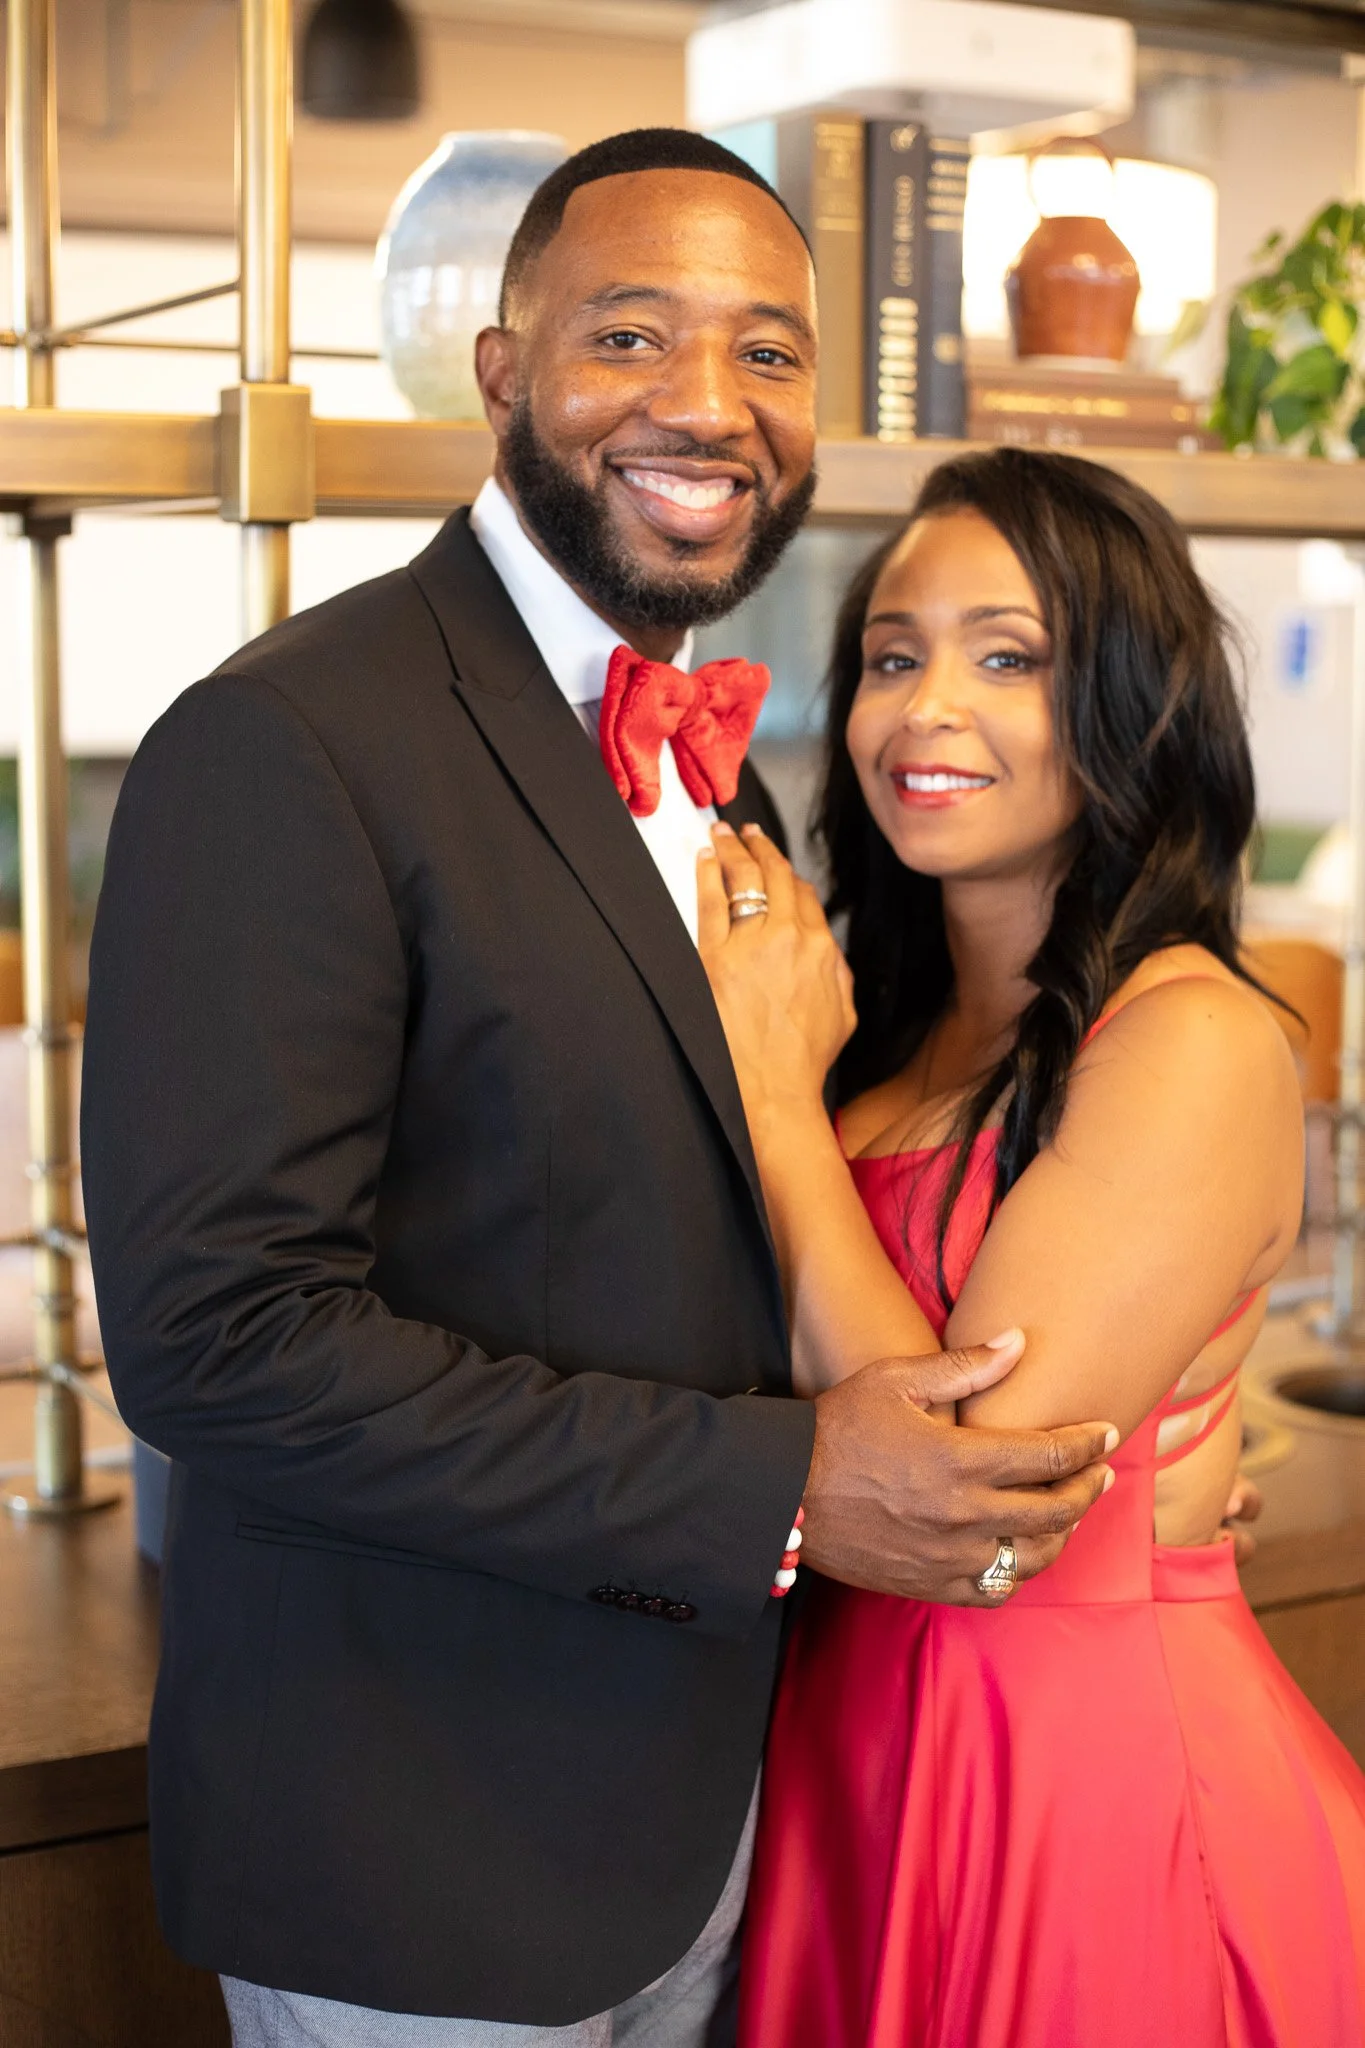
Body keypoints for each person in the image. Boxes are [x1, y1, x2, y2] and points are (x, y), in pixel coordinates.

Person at [79, 137, 1117, 2048]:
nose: (706, 408)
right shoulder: (285, 745)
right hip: (418, 1860)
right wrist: (792, 1484)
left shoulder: (715, 772)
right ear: (499, 376)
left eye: (770, 355)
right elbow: (222, 1345)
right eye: (628, 335)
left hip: (695, 1823)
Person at [696, 446, 1365, 2048]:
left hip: (1075, 1781)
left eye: (1010, 656)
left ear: (1132, 706)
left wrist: (775, 1100)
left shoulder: (1191, 1035)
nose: (926, 708)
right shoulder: (880, 1034)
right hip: (836, 1747)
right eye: (891, 656)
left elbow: (962, 1497)